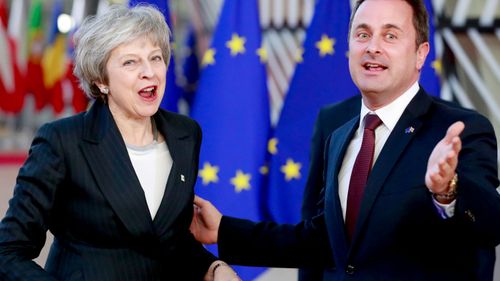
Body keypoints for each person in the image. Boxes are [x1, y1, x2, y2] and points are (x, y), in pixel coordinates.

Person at [189, 0, 500, 280]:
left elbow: (489, 225)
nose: (373, 47)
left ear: (421, 54)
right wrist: (224, 231)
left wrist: (448, 191)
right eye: (362, 35)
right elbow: (322, 242)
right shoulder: (340, 136)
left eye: (390, 36)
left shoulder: (461, 130)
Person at [0, 5, 239, 281]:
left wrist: (214, 268)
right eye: (130, 62)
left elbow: (166, 239)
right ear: (101, 80)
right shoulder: (62, 141)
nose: (149, 72)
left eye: (156, 58)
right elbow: (9, 251)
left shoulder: (185, 134)